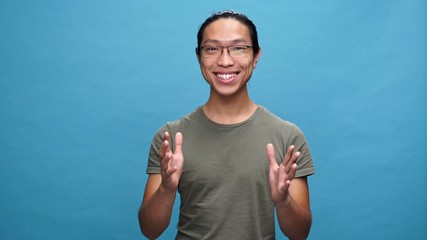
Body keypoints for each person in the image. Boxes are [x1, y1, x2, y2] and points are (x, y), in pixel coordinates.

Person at [138, 10, 315, 240]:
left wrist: (283, 201)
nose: (224, 60)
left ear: (257, 55)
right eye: (212, 48)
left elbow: (300, 234)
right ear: (198, 56)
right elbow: (149, 230)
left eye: (238, 48)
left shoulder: (287, 136)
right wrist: (166, 189)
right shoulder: (170, 138)